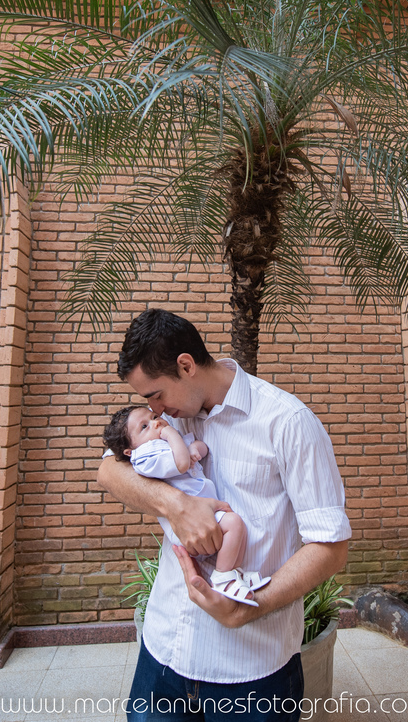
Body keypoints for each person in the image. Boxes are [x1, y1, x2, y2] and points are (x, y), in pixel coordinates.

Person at [97, 308, 351, 722]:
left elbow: (331, 547)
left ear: (186, 365)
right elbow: (109, 469)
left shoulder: (288, 422)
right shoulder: (166, 423)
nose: (154, 409)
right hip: (163, 651)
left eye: (156, 394)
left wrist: (250, 606)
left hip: (250, 669)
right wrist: (176, 506)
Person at [102, 404, 269, 605]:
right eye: (144, 427)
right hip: (188, 526)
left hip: (203, 512)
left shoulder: (164, 444)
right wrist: (170, 433)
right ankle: (222, 576)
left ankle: (235, 573)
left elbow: (201, 448)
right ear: (129, 451)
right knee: (234, 524)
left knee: (236, 528)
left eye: (154, 417)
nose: (156, 423)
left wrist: (193, 449)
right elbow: (181, 462)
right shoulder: (146, 455)